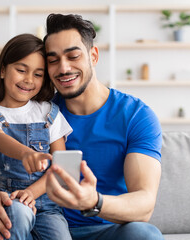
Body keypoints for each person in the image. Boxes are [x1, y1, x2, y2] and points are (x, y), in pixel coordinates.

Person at [43, 13, 164, 240]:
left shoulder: (136, 116)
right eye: (53, 60)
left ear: (93, 56)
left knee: (144, 234)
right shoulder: (40, 113)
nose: (63, 68)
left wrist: (94, 201)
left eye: (73, 56)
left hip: (107, 230)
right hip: (47, 229)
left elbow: (144, 204)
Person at [0, 33, 72, 240]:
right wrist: (26, 154)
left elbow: (64, 168)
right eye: (21, 70)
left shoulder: (50, 112)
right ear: (3, 70)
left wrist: (32, 192)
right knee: (15, 214)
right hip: (8, 201)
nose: (28, 80)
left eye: (38, 74)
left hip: (47, 208)